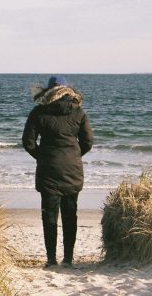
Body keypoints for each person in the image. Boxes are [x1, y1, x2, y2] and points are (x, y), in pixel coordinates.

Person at [22, 75, 94, 268]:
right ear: (67, 89)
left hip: (48, 171)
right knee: (70, 215)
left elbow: (28, 142)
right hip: (72, 170)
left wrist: (43, 157)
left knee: (49, 216)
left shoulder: (39, 112)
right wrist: (74, 156)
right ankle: (68, 259)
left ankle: (51, 259)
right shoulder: (78, 111)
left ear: (48, 90)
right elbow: (88, 142)